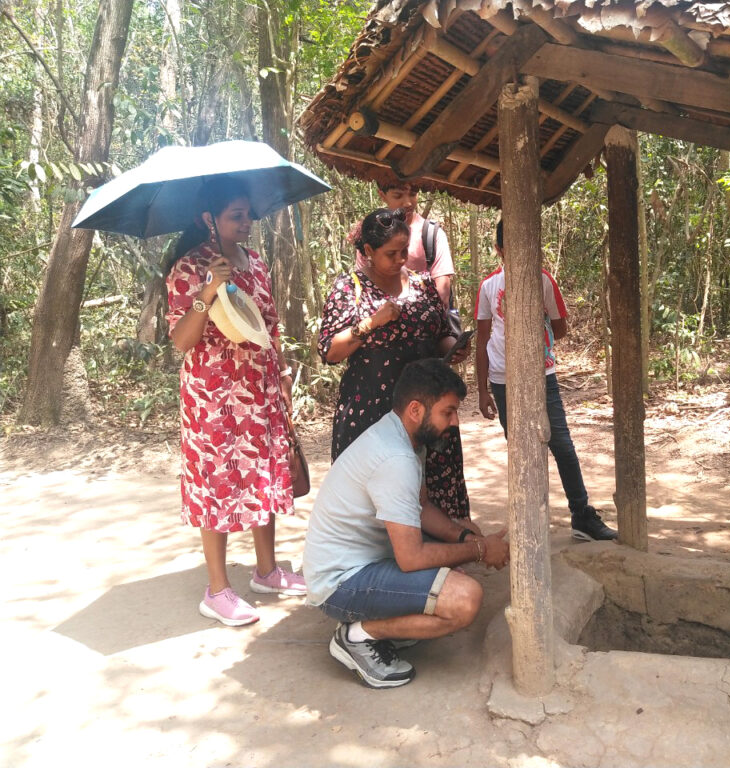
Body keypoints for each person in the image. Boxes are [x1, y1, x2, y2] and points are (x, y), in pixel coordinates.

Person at [304, 359, 509, 688]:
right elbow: (411, 558)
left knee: (450, 573)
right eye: (448, 412)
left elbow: (421, 504)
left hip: (359, 565)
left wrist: (461, 536)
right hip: (340, 583)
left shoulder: (401, 434)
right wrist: (480, 550)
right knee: (463, 599)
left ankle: (386, 624)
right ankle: (357, 636)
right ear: (416, 409)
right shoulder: (395, 459)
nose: (455, 422)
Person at [165, 175, 305, 627]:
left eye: (248, 214)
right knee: (218, 481)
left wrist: (281, 373)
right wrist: (206, 292)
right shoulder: (189, 267)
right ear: (209, 219)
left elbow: (269, 327)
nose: (247, 222)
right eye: (236, 216)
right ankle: (218, 589)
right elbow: (181, 341)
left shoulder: (257, 263)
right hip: (212, 396)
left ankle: (266, 571)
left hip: (259, 389)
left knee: (262, 472)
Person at [319, 207, 474, 522]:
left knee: (431, 486)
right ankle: (390, 560)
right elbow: (329, 351)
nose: (401, 259)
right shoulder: (349, 288)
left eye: (405, 251)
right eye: (392, 253)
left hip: (427, 408)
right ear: (368, 251)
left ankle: (439, 553)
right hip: (374, 410)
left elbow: (441, 333)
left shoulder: (421, 283)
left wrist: (454, 348)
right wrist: (371, 323)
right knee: (381, 492)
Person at [475, 219, 618, 542]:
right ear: (499, 249)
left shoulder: (543, 281)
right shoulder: (488, 287)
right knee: (521, 449)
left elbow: (560, 326)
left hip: (542, 375)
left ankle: (581, 514)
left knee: (562, 444)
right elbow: (482, 339)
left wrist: (536, 341)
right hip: (502, 378)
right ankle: (528, 516)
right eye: (509, 246)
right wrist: (482, 390)